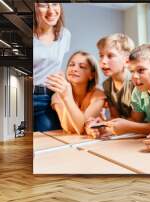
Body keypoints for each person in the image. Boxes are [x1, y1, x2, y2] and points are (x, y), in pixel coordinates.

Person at [103, 44, 150, 135]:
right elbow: (135, 120)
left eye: (141, 70)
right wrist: (109, 125)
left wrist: (129, 127)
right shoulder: (138, 92)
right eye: (131, 71)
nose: (134, 76)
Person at [85, 33, 135, 138]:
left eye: (110, 56)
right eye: (101, 56)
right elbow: (114, 117)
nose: (103, 61)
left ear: (126, 61)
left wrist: (109, 126)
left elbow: (136, 120)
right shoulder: (107, 85)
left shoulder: (135, 82)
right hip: (123, 135)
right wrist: (102, 123)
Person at [46, 51, 106, 134]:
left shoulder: (99, 95)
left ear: (91, 75)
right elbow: (70, 129)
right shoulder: (57, 96)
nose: (74, 69)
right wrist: (66, 97)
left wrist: (67, 97)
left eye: (82, 66)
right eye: (71, 65)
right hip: (69, 141)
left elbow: (80, 128)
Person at [33, 2, 71, 131]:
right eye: (44, 5)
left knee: (50, 138)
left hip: (47, 98)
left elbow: (54, 65)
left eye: (55, 3)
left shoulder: (64, 35)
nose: (51, 11)